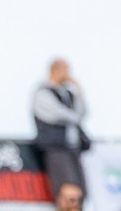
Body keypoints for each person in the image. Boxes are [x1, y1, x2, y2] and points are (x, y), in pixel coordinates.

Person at [32, 58, 89, 194]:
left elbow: (83, 112)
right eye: (66, 70)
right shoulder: (43, 91)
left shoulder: (68, 93)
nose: (69, 75)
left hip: (73, 146)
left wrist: (78, 89)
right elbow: (56, 114)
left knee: (80, 188)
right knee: (66, 187)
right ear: (55, 70)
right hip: (56, 147)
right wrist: (76, 117)